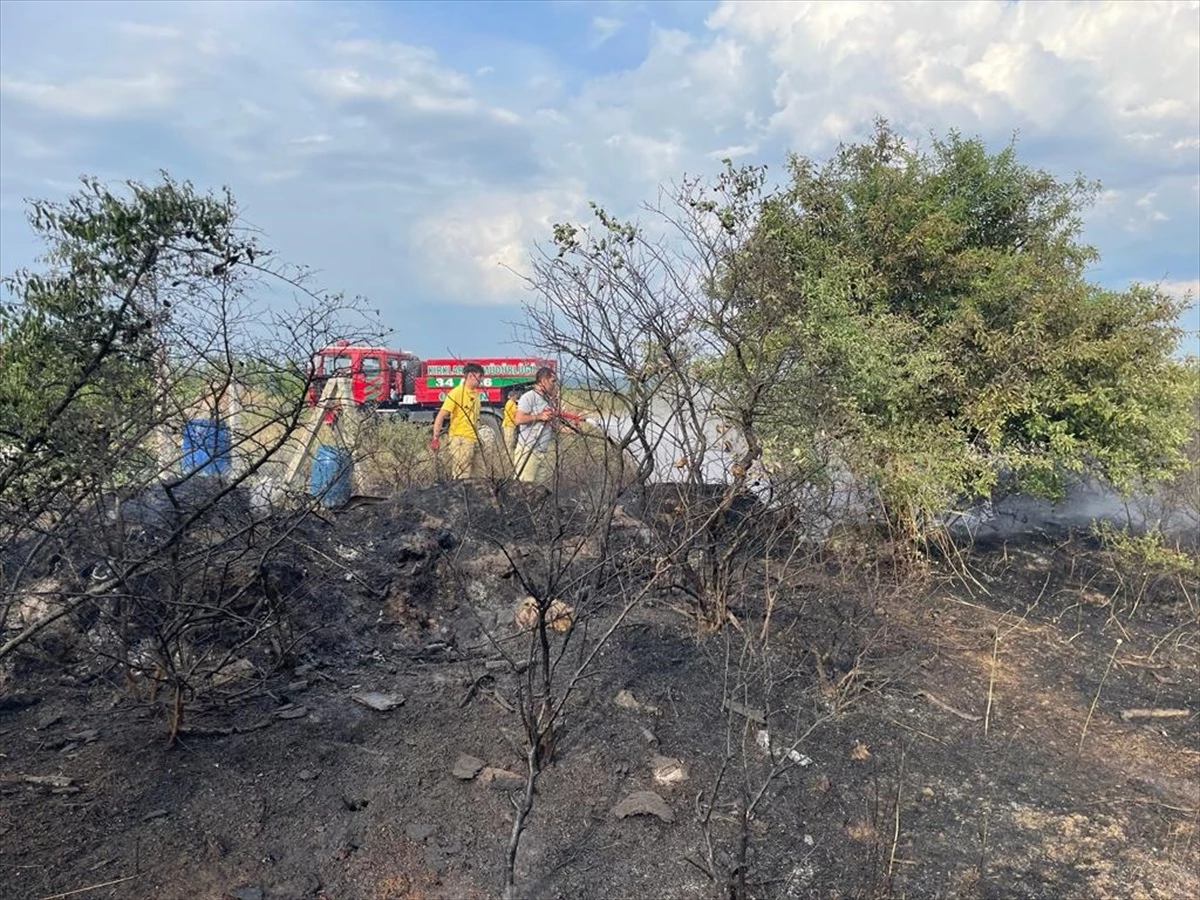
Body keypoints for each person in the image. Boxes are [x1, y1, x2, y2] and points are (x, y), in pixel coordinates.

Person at [430, 362, 485, 480]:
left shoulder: (476, 394)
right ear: (470, 376)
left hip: (474, 438)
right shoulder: (456, 393)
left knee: (480, 476)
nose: (481, 380)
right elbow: (441, 415)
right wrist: (435, 438)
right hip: (460, 439)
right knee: (462, 476)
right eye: (479, 377)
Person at [513, 367, 558, 485]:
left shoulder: (548, 400)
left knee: (539, 489)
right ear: (543, 381)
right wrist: (539, 416)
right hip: (528, 450)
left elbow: (551, 424)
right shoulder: (529, 397)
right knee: (524, 488)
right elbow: (518, 419)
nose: (554, 385)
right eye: (553, 381)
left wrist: (570, 429)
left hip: (542, 451)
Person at [501, 386, 520, 458]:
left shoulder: (510, 403)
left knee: (508, 441)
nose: (516, 398)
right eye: (515, 396)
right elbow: (515, 412)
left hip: (509, 424)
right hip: (509, 425)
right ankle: (508, 456)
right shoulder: (511, 403)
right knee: (509, 441)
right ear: (513, 396)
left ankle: (507, 455)